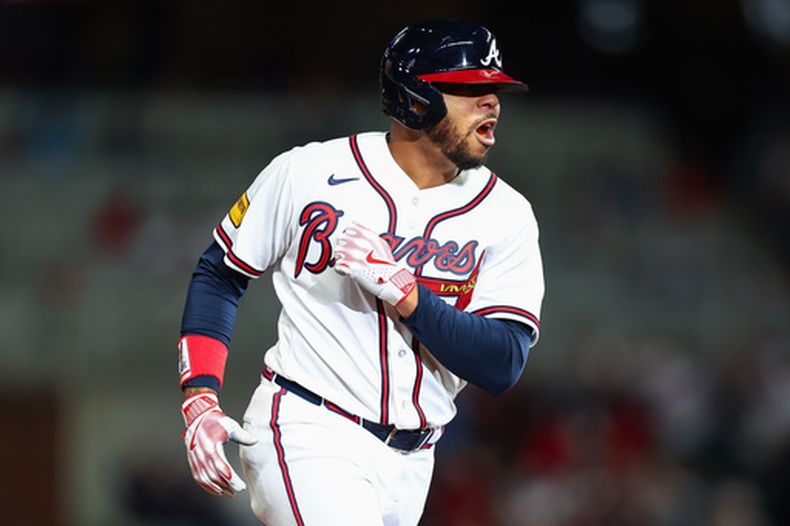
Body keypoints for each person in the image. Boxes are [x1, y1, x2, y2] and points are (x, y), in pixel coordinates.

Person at [177, 19, 545, 526]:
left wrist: (409, 295)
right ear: (415, 98)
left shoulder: (507, 214)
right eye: (468, 87)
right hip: (309, 427)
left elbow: (502, 362)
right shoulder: (308, 172)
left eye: (494, 89)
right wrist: (199, 395)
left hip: (415, 460)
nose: (491, 102)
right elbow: (220, 272)